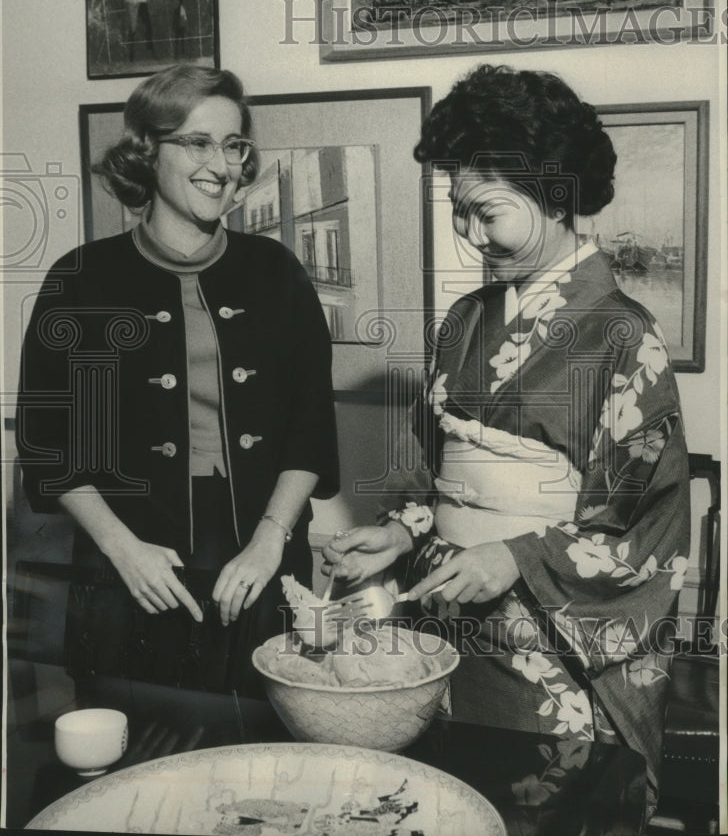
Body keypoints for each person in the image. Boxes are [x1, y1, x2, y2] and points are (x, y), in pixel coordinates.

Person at [322, 64, 689, 813]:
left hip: (551, 651)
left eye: (486, 211)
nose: (470, 234)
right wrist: (401, 531)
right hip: (451, 621)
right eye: (460, 212)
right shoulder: (463, 323)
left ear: (556, 195)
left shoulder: (622, 335)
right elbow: (432, 473)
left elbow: (646, 533)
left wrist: (516, 556)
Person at [16, 64, 338, 693]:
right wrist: (120, 549)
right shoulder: (80, 279)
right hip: (126, 558)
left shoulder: (277, 271)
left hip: (259, 549)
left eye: (234, 144)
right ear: (146, 151)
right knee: (134, 754)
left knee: (264, 763)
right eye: (197, 141)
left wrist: (272, 542)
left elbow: (310, 424)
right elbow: (48, 443)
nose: (221, 164)